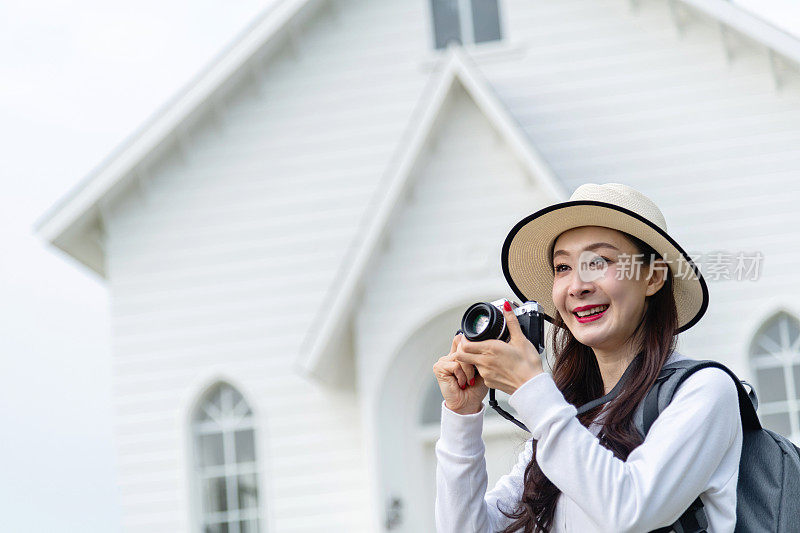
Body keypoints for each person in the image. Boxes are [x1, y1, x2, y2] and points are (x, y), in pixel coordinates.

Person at [432, 183, 743, 533]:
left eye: (598, 262)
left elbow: (630, 512)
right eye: (562, 267)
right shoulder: (568, 414)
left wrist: (531, 389)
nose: (577, 285)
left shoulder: (704, 391)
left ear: (653, 277)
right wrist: (462, 416)